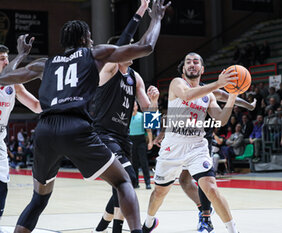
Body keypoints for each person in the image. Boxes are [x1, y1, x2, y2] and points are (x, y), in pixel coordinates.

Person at [0, 1, 170, 232]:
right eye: (89, 37)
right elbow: (145, 45)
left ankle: (107, 222)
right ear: (84, 39)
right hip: (91, 130)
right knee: (125, 180)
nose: (91, 40)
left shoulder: (48, 63)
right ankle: (121, 227)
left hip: (56, 130)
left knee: (39, 198)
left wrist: (20, 55)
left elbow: (5, 77)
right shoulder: (103, 61)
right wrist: (154, 17)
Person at [143, 52, 240, 233]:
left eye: (196, 62)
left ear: (202, 69)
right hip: (172, 146)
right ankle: (149, 222)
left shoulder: (209, 95)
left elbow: (220, 119)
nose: (192, 64)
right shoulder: (177, 83)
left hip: (197, 146)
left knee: (210, 187)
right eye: (188, 62)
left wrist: (233, 97)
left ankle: (232, 229)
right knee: (159, 193)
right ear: (183, 68)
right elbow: (186, 96)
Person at [92, 1, 160, 231]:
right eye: (128, 48)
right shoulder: (108, 70)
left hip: (123, 138)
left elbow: (146, 109)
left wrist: (155, 103)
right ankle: (117, 227)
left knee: (120, 186)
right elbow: (123, 41)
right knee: (130, 179)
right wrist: (142, 10)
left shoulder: (136, 78)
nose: (132, 50)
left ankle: (105, 220)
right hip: (103, 135)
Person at [0, 36, 43, 230]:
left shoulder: (14, 84)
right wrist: (22, 55)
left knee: (2, 187)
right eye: (2, 58)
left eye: (7, 58)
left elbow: (35, 105)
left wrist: (58, 100)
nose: (6, 62)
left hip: (0, 140)